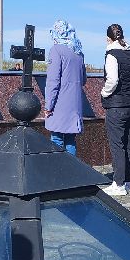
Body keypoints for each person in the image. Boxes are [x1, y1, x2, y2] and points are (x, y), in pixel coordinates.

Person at [99, 23, 130, 198]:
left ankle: (118, 184)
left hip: (117, 106)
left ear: (108, 38)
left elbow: (112, 80)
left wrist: (104, 93)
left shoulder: (111, 54)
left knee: (117, 145)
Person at [43, 19, 86, 157]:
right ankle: (72, 169)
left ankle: (56, 169)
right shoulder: (78, 51)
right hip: (74, 104)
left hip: (59, 104)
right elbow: (83, 79)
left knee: (56, 139)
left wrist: (48, 106)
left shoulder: (56, 50)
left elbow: (53, 81)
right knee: (70, 140)